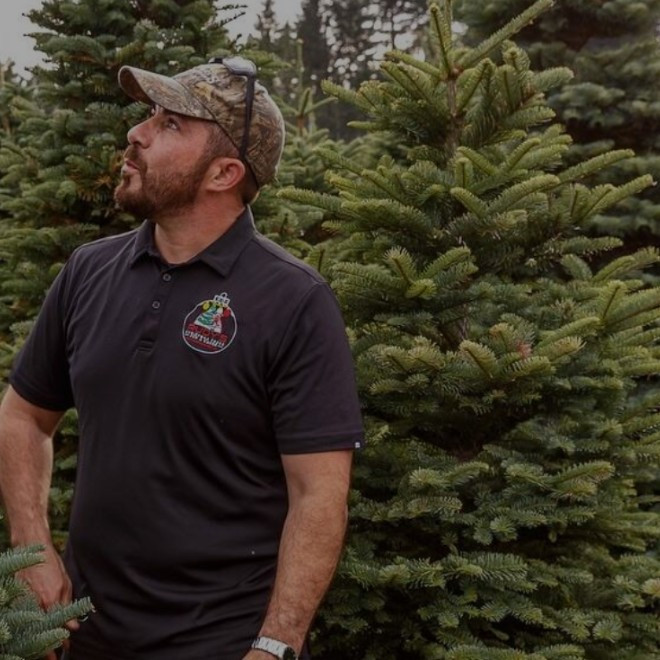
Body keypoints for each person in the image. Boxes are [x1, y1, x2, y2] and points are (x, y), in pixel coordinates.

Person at [0, 57, 364, 660]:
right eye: (149, 115)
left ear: (224, 172)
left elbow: (318, 496)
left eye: (170, 124)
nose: (136, 133)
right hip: (86, 636)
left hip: (221, 642)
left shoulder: (294, 300)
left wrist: (275, 644)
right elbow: (23, 415)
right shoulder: (89, 271)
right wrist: (32, 548)